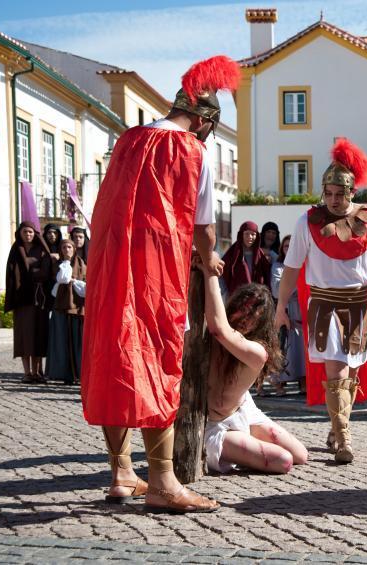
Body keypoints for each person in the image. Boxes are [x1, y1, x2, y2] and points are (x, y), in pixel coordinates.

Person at [81, 55, 239, 513]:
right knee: (156, 359)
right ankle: (163, 482)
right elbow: (205, 225)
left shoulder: (129, 140)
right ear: (204, 119)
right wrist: (209, 259)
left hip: (111, 263)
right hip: (156, 271)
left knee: (115, 354)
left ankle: (120, 472)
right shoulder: (193, 151)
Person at [275, 138, 367, 464]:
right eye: (328, 194)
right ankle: (344, 440)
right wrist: (280, 306)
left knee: (351, 375)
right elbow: (292, 268)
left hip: (360, 306)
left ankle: (337, 425)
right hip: (324, 305)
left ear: (352, 192)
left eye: (339, 194)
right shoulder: (308, 222)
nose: (333, 200)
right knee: (337, 372)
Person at [200, 260, 308, 474]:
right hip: (214, 424)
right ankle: (236, 446)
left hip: (242, 411)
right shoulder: (210, 331)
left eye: (254, 319)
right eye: (244, 311)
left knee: (300, 455)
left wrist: (209, 270)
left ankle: (245, 440)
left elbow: (221, 330)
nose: (246, 321)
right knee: (283, 461)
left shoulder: (258, 352)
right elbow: (217, 327)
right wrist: (206, 267)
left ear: (261, 326)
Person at [5, 222, 51, 384]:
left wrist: (28, 273)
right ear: (20, 233)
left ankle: (37, 371)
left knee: (38, 334)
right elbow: (11, 273)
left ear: (34, 233)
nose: (28, 234)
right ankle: (27, 373)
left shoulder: (42, 250)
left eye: (30, 232)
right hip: (21, 299)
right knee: (24, 336)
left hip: (39, 299)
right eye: (25, 232)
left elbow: (46, 272)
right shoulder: (16, 250)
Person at [46, 239, 86, 385]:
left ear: (74, 248)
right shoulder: (59, 265)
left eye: (69, 247)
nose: (67, 249)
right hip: (61, 306)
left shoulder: (82, 264)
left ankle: (80, 373)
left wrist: (76, 283)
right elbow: (63, 278)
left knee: (78, 341)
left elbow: (87, 284)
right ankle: (65, 374)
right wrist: (66, 263)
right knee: (62, 341)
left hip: (77, 307)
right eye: (64, 247)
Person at [270, 235, 305, 396]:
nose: (289, 249)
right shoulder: (278, 266)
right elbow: (277, 289)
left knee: (301, 348)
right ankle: (279, 384)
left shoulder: (303, 265)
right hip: (284, 309)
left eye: (292, 246)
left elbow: (307, 285)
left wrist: (291, 287)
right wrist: (295, 288)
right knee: (283, 346)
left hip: (301, 309)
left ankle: (303, 381)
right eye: (286, 246)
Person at [222, 221, 272, 296]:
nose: (250, 237)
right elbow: (223, 275)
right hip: (237, 298)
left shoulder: (261, 255)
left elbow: (266, 276)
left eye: (253, 234)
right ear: (241, 235)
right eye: (246, 234)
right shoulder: (232, 254)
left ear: (257, 236)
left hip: (256, 297)